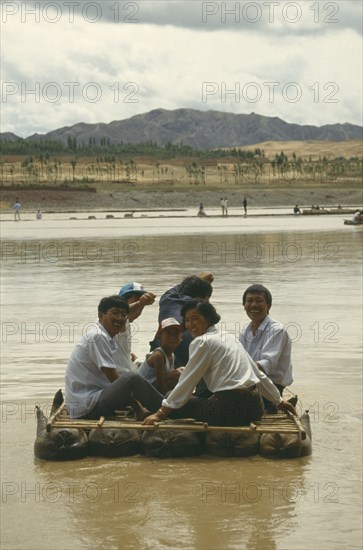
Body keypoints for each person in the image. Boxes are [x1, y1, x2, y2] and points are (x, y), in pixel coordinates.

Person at [143, 301, 297, 427]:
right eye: (187, 320)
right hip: (255, 408)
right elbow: (257, 374)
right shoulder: (228, 337)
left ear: (208, 319)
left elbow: (187, 381)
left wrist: (160, 413)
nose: (190, 325)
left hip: (227, 411)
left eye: (195, 318)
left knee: (171, 396)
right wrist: (278, 401)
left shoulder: (202, 342)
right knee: (191, 398)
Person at [65, 295, 163, 419]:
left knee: (130, 377)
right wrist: (138, 406)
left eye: (123, 315)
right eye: (115, 313)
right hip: (87, 406)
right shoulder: (98, 336)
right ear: (101, 316)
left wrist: (140, 304)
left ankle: (165, 405)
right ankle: (168, 409)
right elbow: (114, 379)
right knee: (131, 378)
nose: (120, 318)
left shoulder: (104, 335)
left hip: (91, 400)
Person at [239, 284, 293, 404]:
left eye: (259, 301)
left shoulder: (277, 330)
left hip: (271, 386)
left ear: (268, 306)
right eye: (249, 301)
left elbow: (266, 365)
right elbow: (240, 358)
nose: (253, 305)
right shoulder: (245, 330)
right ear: (244, 306)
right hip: (251, 381)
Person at [149, 273, 213, 367]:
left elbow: (181, 286)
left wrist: (199, 280)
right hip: (185, 346)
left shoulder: (167, 298)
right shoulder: (199, 310)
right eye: (208, 298)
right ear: (201, 296)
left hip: (160, 346)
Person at [114, 282, 156, 373]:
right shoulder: (109, 321)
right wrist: (140, 303)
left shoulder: (126, 324)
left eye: (141, 308)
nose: (138, 311)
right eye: (136, 302)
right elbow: (120, 312)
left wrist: (134, 359)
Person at [138, 317, 184, 394]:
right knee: (178, 373)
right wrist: (166, 400)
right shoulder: (158, 356)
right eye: (168, 333)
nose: (172, 337)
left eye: (176, 333)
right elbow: (160, 384)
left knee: (182, 370)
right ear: (159, 337)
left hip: (152, 388)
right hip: (143, 391)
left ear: (181, 337)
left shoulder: (172, 356)